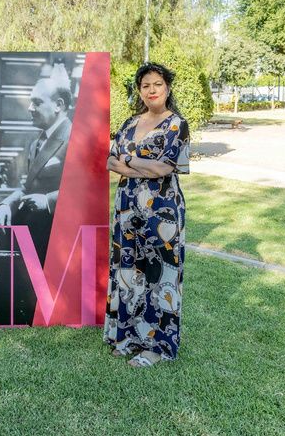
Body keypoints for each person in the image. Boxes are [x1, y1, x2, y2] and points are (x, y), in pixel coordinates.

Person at [103, 62, 190, 367]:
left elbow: (164, 168)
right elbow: (111, 162)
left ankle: (156, 346)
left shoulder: (177, 124)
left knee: (160, 275)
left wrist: (128, 161)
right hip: (127, 208)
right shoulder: (129, 123)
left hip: (162, 211)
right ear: (139, 91)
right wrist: (139, 163)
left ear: (167, 88)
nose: (152, 90)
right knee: (128, 270)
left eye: (157, 84)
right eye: (145, 85)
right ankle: (128, 337)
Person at [0, 77, 73, 264]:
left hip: (57, 244)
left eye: (37, 102)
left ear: (58, 105)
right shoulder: (37, 142)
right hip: (32, 239)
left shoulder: (76, 138)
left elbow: (87, 192)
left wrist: (48, 200)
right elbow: (28, 188)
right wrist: (6, 204)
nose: (30, 108)